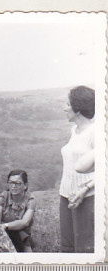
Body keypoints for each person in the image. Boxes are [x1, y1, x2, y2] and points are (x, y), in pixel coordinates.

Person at [59, 86, 95, 253]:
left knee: (84, 249)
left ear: (78, 108)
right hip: (66, 195)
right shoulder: (74, 130)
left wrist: (85, 189)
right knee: (67, 247)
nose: (64, 108)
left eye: (67, 104)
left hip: (86, 197)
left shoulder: (95, 132)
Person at [0, 170, 35, 252]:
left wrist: (5, 226)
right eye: (11, 183)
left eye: (17, 183)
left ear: (25, 186)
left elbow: (24, 222)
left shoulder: (30, 200)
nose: (13, 186)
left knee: (22, 235)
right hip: (3, 232)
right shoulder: (4, 196)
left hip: (21, 236)